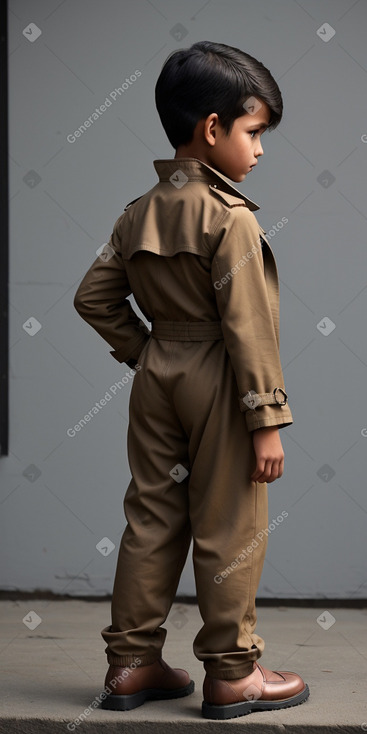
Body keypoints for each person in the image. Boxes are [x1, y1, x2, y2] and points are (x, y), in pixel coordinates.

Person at [73, 40, 309, 720]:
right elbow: (249, 330)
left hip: (157, 378)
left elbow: (93, 299)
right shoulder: (229, 218)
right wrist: (266, 421)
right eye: (254, 132)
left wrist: (145, 353)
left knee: (150, 517)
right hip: (220, 382)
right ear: (212, 129)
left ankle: (131, 664)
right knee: (230, 526)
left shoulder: (138, 211)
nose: (260, 149)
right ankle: (234, 674)